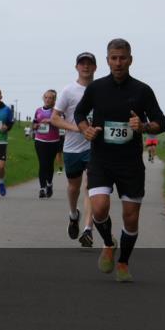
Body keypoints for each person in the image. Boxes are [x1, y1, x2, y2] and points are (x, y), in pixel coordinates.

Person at [74, 39, 165, 282]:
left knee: (131, 216)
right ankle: (108, 243)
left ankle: (124, 263)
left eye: (122, 58)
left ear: (130, 60)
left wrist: (144, 125)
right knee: (99, 206)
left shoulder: (142, 91)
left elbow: (162, 123)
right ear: (107, 61)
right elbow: (79, 113)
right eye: (113, 58)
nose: (118, 63)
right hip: (101, 159)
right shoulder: (96, 89)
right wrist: (85, 129)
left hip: (130, 164)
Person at [51, 53, 97, 247]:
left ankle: (88, 230)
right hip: (72, 147)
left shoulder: (101, 89)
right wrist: (77, 128)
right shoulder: (69, 91)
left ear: (95, 67)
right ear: (76, 67)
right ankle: (73, 214)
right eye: (82, 64)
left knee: (91, 187)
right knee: (74, 188)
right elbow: (54, 118)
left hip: (95, 147)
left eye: (89, 64)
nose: (85, 67)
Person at [32, 90, 60, 199]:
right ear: (43, 98)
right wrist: (35, 126)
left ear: (54, 100)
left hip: (53, 141)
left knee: (49, 164)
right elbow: (34, 122)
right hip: (40, 140)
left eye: (50, 98)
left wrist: (50, 121)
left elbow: (61, 123)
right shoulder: (38, 110)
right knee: (42, 164)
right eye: (46, 97)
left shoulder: (56, 111)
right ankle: (42, 188)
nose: (48, 100)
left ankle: (49, 184)